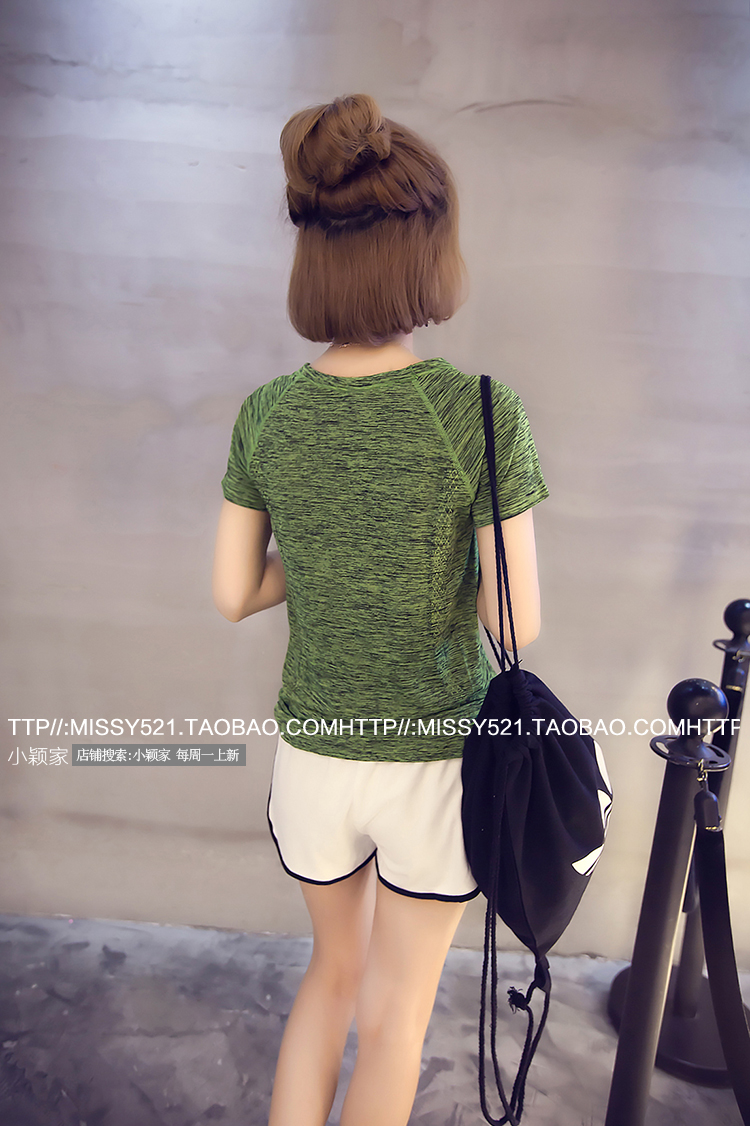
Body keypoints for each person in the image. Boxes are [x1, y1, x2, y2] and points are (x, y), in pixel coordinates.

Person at [212, 93, 548, 1126]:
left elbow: (234, 592)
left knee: (331, 977)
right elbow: (517, 624)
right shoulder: (478, 412)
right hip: (432, 767)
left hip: (315, 759)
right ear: (425, 253)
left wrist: (322, 557)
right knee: (397, 1019)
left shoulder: (268, 412)